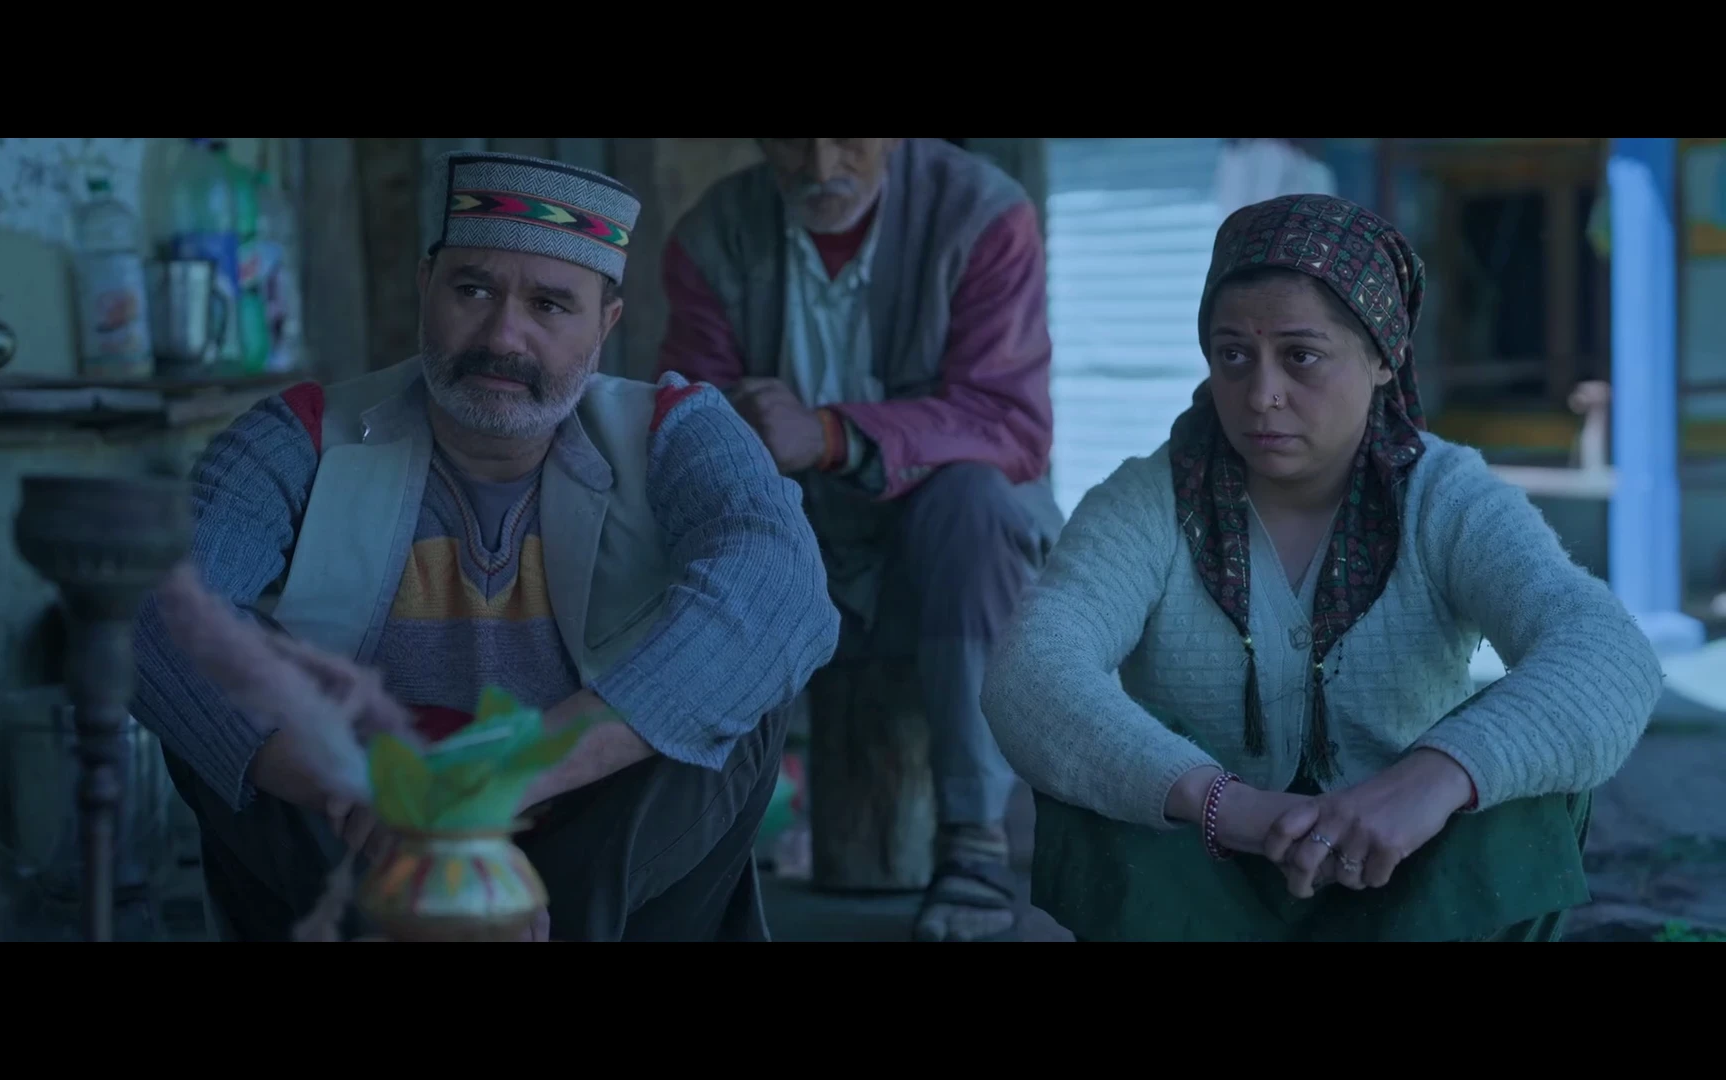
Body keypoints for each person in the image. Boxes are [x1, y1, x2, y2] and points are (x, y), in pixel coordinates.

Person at [131, 151, 840, 942]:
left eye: (550, 305)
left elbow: (782, 588)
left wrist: (510, 776)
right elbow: (157, 605)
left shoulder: (676, 430)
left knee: (746, 678)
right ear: (425, 285)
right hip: (367, 830)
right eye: (472, 290)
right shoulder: (301, 434)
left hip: (591, 824)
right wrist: (382, 797)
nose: (504, 335)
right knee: (199, 680)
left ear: (605, 324)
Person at [983, 193, 1665, 942]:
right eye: (1233, 355)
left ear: (1382, 357)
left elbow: (1607, 652)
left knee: (1525, 764)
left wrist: (1434, 779)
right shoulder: (1147, 501)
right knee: (1092, 762)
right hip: (1203, 888)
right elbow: (1032, 671)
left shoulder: (1444, 496)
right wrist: (1226, 805)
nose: (1261, 394)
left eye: (1301, 356)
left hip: (1408, 888)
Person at [657, 137, 1064, 942]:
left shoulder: (983, 215)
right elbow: (682, 418)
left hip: (945, 554)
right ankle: (696, 845)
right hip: (798, 540)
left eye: (847, 138)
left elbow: (1011, 425)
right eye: (792, 139)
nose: (820, 167)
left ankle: (975, 840)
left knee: (977, 500)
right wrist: (727, 424)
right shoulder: (713, 234)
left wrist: (830, 434)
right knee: (699, 515)